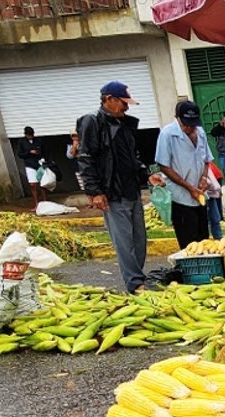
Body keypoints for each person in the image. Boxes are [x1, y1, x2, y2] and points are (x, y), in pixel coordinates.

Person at [77, 81, 152, 293]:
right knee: (124, 241)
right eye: (123, 103)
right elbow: (85, 158)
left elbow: (131, 158)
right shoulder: (92, 122)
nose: (127, 107)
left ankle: (138, 278)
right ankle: (135, 283)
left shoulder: (124, 124)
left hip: (132, 190)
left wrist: (146, 175)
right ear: (109, 99)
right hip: (112, 192)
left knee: (139, 239)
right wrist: (95, 192)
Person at [155, 100, 213, 250]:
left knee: (204, 242)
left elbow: (206, 159)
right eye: (186, 124)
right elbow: (164, 166)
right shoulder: (167, 134)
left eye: (193, 124)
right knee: (189, 245)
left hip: (200, 195)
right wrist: (190, 188)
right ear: (177, 118)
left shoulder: (200, 132)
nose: (190, 128)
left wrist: (204, 178)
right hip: (180, 197)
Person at [16, 126, 47, 208]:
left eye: (32, 135)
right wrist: (29, 152)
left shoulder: (38, 141)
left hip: (39, 163)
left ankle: (45, 202)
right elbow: (19, 154)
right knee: (33, 184)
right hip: (29, 164)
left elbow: (44, 151)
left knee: (42, 183)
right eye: (29, 135)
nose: (31, 136)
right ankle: (36, 204)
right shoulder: (22, 142)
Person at [204, 160, 224, 240]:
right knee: (206, 218)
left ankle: (218, 237)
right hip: (200, 192)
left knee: (215, 217)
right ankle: (204, 239)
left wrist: (217, 189)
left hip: (210, 192)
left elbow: (213, 179)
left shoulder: (207, 165)